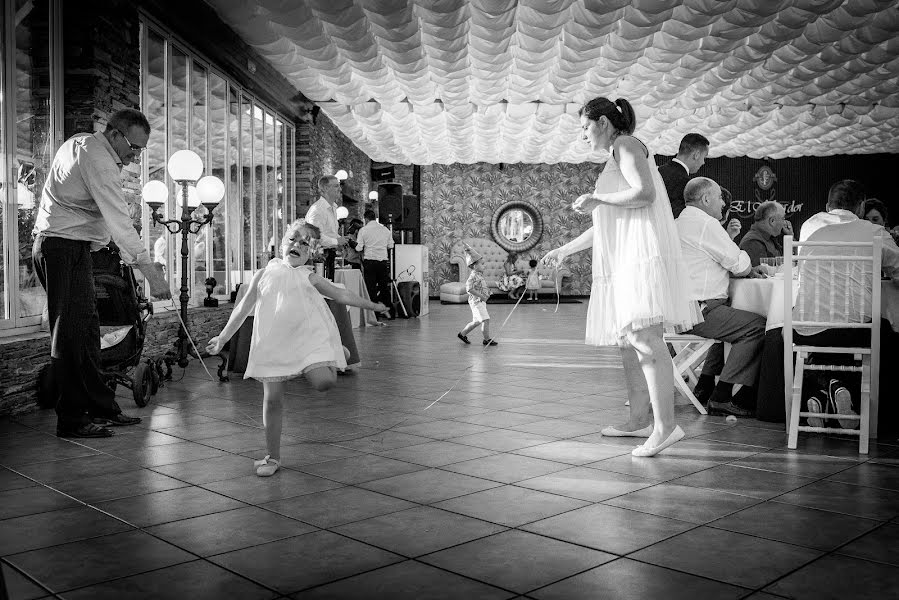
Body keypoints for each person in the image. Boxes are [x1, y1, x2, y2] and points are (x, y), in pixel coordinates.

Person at [542, 96, 700, 457]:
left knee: (645, 339)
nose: (583, 135)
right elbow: (609, 220)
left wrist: (598, 200)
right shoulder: (616, 152)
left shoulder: (626, 144)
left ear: (602, 122)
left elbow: (643, 194)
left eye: (584, 127)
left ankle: (666, 427)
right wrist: (565, 249)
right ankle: (640, 420)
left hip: (640, 257)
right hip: (626, 256)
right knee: (629, 341)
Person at [206, 220, 388, 476]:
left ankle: (336, 355)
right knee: (272, 400)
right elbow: (244, 307)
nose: (297, 244)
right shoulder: (264, 273)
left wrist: (373, 306)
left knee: (324, 383)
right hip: (273, 342)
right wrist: (223, 338)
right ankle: (273, 457)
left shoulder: (309, 276)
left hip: (307, 340)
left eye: (305, 243)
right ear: (282, 243)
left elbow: (341, 296)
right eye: (293, 238)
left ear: (311, 252)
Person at [32, 108, 171, 438]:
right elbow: (119, 223)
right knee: (69, 337)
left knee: (87, 332)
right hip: (60, 248)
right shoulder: (99, 160)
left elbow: (95, 220)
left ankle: (101, 407)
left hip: (74, 248)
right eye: (133, 148)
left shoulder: (82, 143)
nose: (135, 157)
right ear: (113, 135)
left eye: (140, 150)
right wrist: (151, 274)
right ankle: (71, 419)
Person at [757, 180, 899, 430]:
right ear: (861, 206)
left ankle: (821, 395)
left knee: (790, 330)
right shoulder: (874, 232)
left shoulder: (811, 226)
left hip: (806, 329)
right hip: (855, 333)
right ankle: (867, 409)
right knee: (887, 333)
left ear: (827, 206)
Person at [676, 177, 769, 416]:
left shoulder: (677, 222)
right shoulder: (705, 224)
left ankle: (706, 386)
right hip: (698, 311)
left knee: (728, 322)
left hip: (679, 308)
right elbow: (738, 263)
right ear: (706, 199)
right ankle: (723, 395)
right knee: (756, 327)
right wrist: (747, 267)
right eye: (719, 197)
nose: (723, 204)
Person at [658, 133, 710, 218]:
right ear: (696, 155)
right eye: (704, 157)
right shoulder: (685, 183)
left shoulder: (659, 170)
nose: (703, 162)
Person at [305, 175, 346, 279]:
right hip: (319, 260)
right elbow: (315, 237)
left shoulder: (333, 207)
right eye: (336, 186)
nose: (340, 189)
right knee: (323, 292)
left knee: (330, 288)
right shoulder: (318, 209)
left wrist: (341, 240)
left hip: (329, 257)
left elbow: (329, 232)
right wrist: (336, 241)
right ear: (326, 188)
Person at [355, 209, 394, 314]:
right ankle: (390, 311)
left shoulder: (363, 230)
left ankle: (374, 314)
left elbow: (359, 248)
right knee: (384, 287)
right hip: (382, 262)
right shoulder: (385, 230)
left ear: (366, 219)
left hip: (370, 262)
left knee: (371, 288)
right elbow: (391, 245)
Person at [457, 248, 497, 346]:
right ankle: (486, 339)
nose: (485, 265)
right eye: (482, 264)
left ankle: (462, 334)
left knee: (476, 321)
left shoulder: (478, 274)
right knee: (485, 319)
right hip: (477, 301)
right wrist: (481, 296)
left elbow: (480, 286)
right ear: (475, 266)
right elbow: (469, 289)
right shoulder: (473, 276)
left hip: (480, 301)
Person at [738, 200, 787, 267]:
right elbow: (762, 274)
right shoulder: (753, 243)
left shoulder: (769, 237)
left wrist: (790, 236)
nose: (784, 223)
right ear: (772, 221)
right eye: (783, 219)